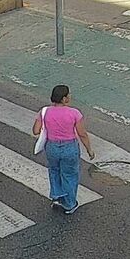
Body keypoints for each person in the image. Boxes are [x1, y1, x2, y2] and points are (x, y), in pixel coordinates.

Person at [31, 85, 95, 215]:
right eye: (68, 94)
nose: (70, 96)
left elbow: (36, 131)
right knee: (69, 175)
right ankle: (69, 204)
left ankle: (57, 198)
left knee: (54, 171)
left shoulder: (44, 111)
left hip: (52, 147)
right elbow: (82, 134)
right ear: (64, 98)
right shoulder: (74, 113)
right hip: (69, 148)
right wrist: (89, 150)